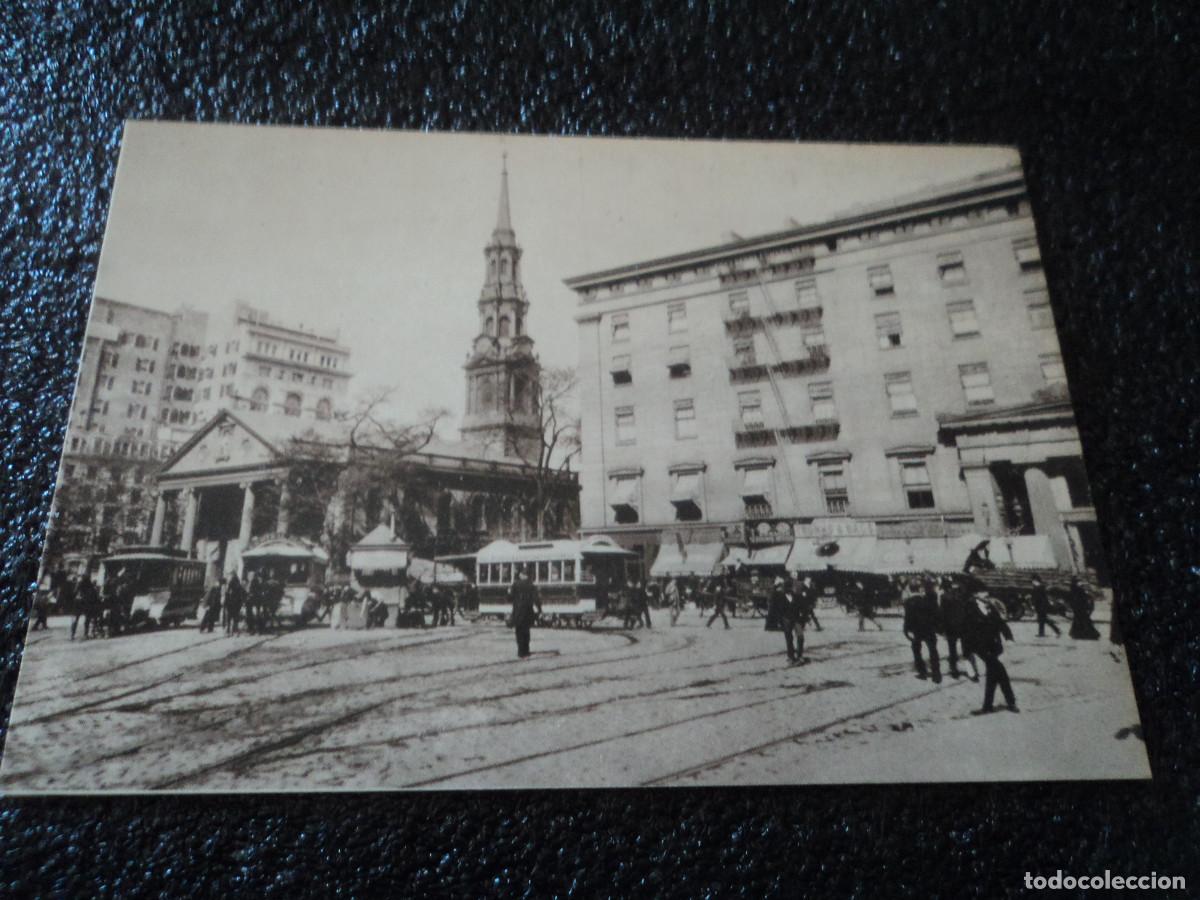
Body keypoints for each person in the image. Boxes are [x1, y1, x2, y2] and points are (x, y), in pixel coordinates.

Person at [964, 593, 1018, 714]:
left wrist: (1008, 637)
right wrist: (967, 651)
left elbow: (1001, 623)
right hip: (980, 647)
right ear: (976, 595)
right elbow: (966, 630)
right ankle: (1011, 702)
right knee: (1000, 670)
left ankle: (988, 706)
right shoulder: (969, 608)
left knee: (993, 674)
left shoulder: (991, 607)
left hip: (994, 645)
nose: (987, 595)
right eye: (983, 592)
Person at [939, 576, 979, 681]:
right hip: (965, 626)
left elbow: (942, 615)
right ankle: (972, 673)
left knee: (952, 650)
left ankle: (954, 671)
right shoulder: (967, 596)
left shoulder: (944, 597)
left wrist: (942, 629)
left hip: (951, 627)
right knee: (967, 650)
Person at [903, 577, 942, 683]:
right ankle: (937, 674)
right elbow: (935, 614)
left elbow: (908, 618)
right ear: (919, 589)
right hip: (929, 629)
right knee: (933, 650)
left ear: (910, 589)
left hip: (917, 630)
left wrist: (906, 630)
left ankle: (922, 672)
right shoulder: (927, 600)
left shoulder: (908, 602)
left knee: (916, 650)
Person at [768, 577, 803, 663]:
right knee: (789, 638)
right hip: (786, 619)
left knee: (800, 636)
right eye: (788, 588)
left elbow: (800, 605)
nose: (790, 590)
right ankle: (791, 656)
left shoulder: (795, 596)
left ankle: (799, 654)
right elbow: (772, 596)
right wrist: (775, 585)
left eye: (791, 588)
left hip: (796, 619)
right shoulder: (780, 596)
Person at [509, 566, 542, 658]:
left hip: (518, 611)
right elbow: (536, 599)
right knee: (526, 631)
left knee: (519, 631)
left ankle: (520, 651)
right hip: (528, 611)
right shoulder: (531, 585)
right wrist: (539, 610)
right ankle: (526, 650)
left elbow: (510, 598)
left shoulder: (515, 584)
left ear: (522, 575)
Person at [74, 573, 100, 640]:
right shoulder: (90, 585)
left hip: (79, 602)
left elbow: (75, 592)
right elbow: (95, 595)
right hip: (87, 603)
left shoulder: (80, 584)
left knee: (76, 619)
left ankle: (72, 634)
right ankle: (85, 634)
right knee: (87, 619)